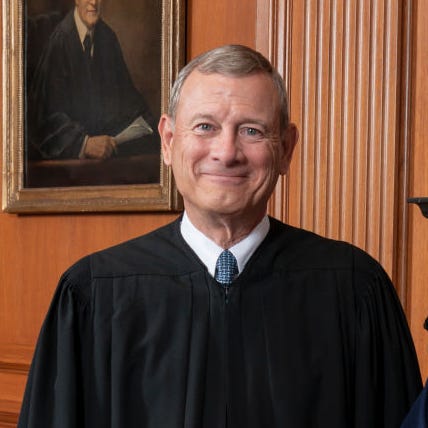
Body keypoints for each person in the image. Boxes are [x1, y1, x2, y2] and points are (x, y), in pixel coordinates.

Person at [18, 44, 422, 427]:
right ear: (169, 141)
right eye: (205, 126)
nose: (227, 152)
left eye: (251, 131)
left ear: (286, 149)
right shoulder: (93, 293)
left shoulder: (354, 289)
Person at [27, 0, 157, 160]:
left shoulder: (107, 38)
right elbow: (43, 117)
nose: (93, 2)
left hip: (106, 161)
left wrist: (145, 122)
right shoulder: (60, 40)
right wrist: (84, 143)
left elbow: (126, 99)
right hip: (68, 169)